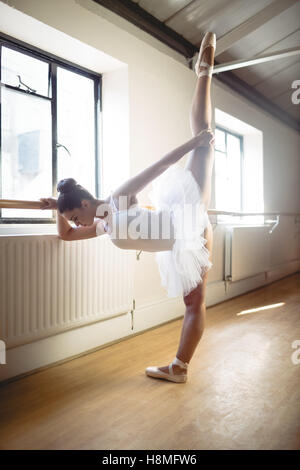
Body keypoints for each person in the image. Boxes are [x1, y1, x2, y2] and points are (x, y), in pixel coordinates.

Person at [40, 32, 216, 384]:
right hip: (182, 241)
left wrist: (193, 144)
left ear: (88, 203)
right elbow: (66, 236)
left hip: (186, 216)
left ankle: (204, 72)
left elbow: (158, 167)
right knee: (193, 305)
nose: (76, 223)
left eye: (76, 215)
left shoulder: (117, 199)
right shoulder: (103, 226)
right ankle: (179, 368)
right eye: (74, 218)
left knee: (204, 138)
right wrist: (55, 208)